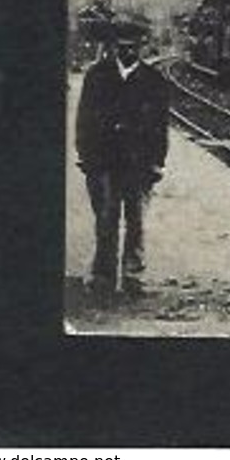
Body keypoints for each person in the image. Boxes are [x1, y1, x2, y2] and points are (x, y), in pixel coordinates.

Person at [75, 17, 170, 296]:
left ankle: (133, 276)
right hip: (103, 161)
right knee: (105, 219)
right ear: (114, 46)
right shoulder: (97, 76)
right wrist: (85, 154)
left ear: (142, 47)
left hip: (139, 163)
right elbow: (84, 119)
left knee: (137, 221)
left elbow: (159, 126)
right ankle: (103, 276)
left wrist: (158, 162)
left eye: (134, 47)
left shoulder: (154, 81)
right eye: (123, 46)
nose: (128, 52)